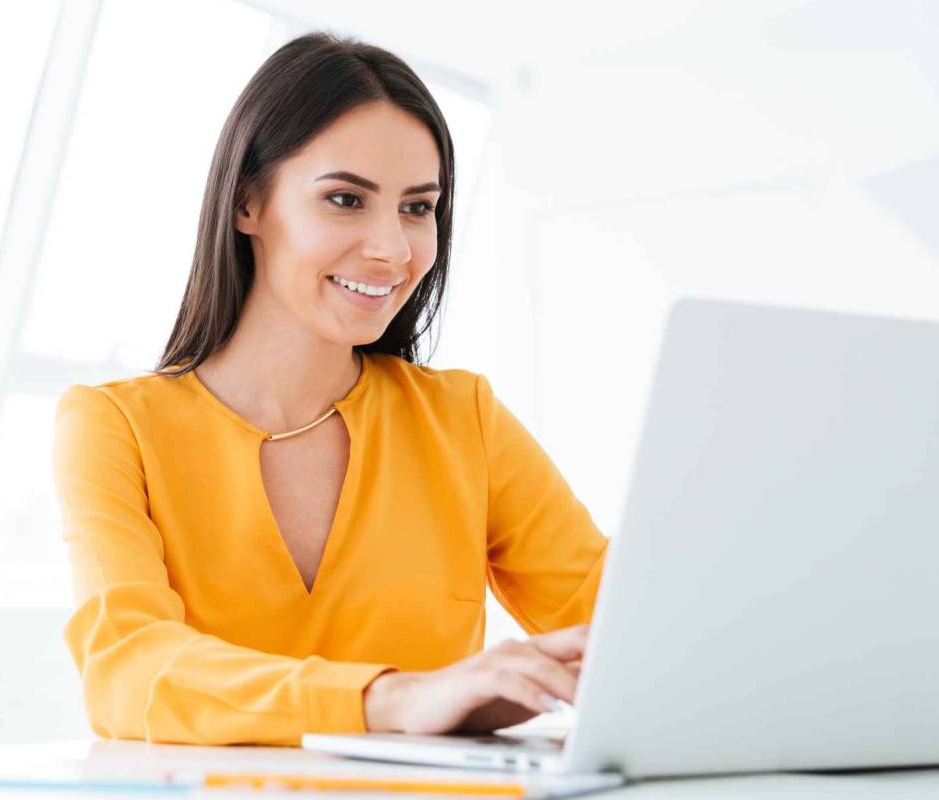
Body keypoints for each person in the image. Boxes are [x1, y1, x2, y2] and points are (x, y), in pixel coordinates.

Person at [52, 31, 607, 746]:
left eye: (417, 208)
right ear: (248, 203)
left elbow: (622, 633)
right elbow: (127, 669)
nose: (393, 249)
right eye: (346, 199)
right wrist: (390, 700)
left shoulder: (463, 419)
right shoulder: (114, 425)